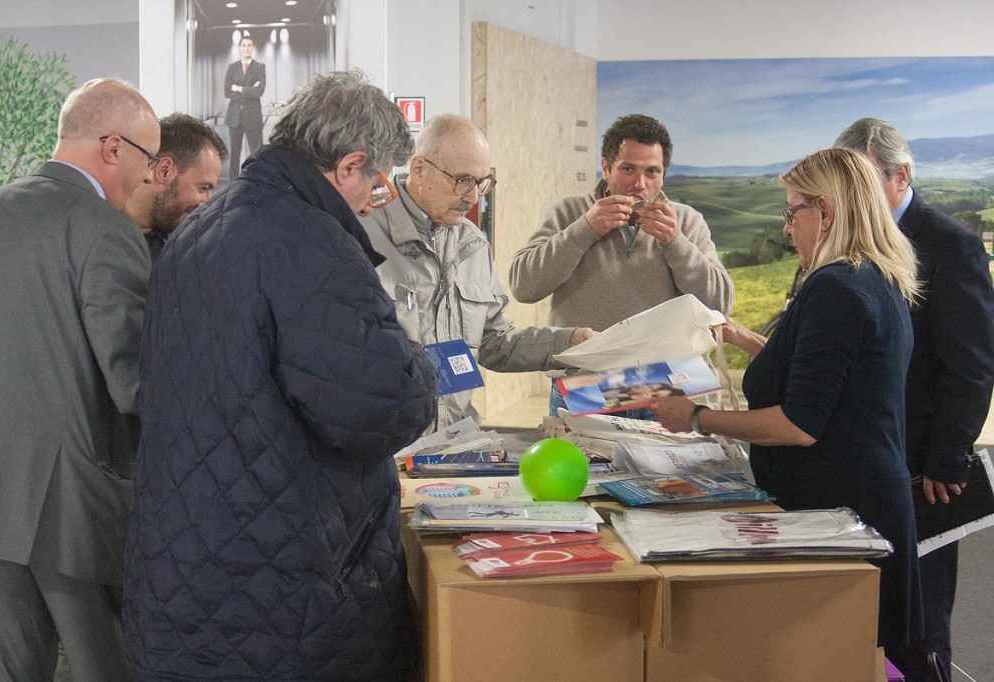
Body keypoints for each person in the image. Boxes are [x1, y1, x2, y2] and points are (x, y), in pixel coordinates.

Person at [122, 71, 437, 681]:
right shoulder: (311, 243)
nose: (377, 195)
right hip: (285, 590)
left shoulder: (202, 228)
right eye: (379, 179)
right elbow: (384, 405)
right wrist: (418, 363)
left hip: (190, 564)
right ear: (350, 165)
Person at [652, 148, 925, 665]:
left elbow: (799, 423)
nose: (785, 228)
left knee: (829, 660)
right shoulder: (873, 276)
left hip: (837, 510)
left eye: (792, 210)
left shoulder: (836, 288)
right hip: (858, 497)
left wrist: (694, 418)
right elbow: (831, 377)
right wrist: (747, 340)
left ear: (825, 212)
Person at [0, 78, 157, 682]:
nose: (148, 177)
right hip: (78, 517)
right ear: (111, 147)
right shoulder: (105, 231)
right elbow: (135, 385)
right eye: (147, 159)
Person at [836, 117, 994, 681]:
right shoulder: (852, 242)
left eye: (859, 181)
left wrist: (947, 458)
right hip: (862, 460)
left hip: (922, 467)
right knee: (867, 615)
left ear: (899, 176)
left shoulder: (950, 245)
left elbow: (971, 363)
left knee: (921, 622)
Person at [360, 113, 592, 429]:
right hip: (382, 444)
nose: (473, 197)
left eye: (481, 182)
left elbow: (496, 342)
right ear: (419, 169)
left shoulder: (472, 243)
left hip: (452, 442)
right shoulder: (362, 233)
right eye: (463, 180)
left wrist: (570, 341)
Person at [507, 114, 734, 416]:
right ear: (605, 167)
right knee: (585, 463)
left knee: (666, 464)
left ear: (664, 174)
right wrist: (584, 229)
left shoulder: (687, 221)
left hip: (668, 381)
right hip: (586, 382)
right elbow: (524, 286)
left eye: (652, 172)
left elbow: (720, 305)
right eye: (628, 169)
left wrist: (676, 242)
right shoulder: (568, 213)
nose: (640, 184)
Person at [124, 113, 227, 260]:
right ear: (164, 171)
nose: (207, 201)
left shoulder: (181, 244)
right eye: (203, 188)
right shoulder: (97, 242)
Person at [224, 36, 265, 180]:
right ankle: (232, 185)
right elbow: (227, 91)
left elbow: (259, 91)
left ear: (253, 48)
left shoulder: (259, 67)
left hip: (253, 117)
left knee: (257, 154)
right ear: (240, 48)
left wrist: (239, 88)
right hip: (234, 117)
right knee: (234, 154)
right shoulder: (232, 67)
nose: (246, 48)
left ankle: (258, 182)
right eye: (244, 45)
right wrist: (249, 90)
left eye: (249, 45)